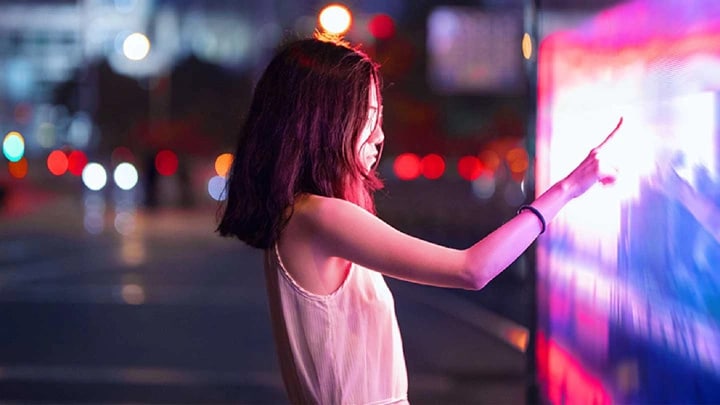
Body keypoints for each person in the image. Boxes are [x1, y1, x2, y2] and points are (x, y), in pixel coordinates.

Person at [217, 33, 623, 405]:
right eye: (367, 114)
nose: (378, 135)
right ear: (325, 121)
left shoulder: (302, 216)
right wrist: (567, 189)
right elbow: (472, 270)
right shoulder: (320, 217)